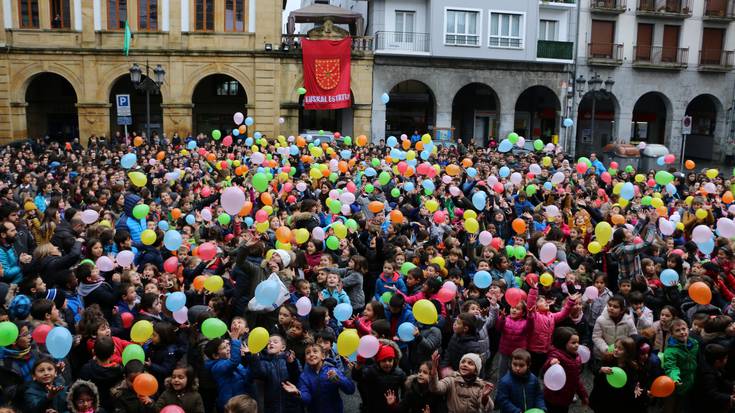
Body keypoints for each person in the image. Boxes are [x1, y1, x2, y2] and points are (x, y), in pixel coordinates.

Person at [282, 342, 356, 413]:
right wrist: (298, 393)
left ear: (323, 356)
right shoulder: (303, 377)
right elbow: (307, 398)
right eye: (308, 353)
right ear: (305, 359)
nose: (311, 354)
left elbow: (350, 390)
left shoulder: (332, 371)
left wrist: (339, 380)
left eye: (315, 351)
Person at [428, 351, 494, 413]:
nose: (465, 364)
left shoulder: (480, 385)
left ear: (476, 370)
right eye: (463, 362)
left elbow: (489, 409)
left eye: (470, 363)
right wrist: (434, 371)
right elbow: (435, 388)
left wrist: (485, 397)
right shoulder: (452, 380)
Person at [496, 348, 546, 413]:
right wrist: (516, 411)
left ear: (528, 365)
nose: (517, 368)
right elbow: (502, 400)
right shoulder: (505, 381)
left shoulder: (533, 379)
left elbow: (538, 396)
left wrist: (541, 408)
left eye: (521, 365)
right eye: (514, 364)